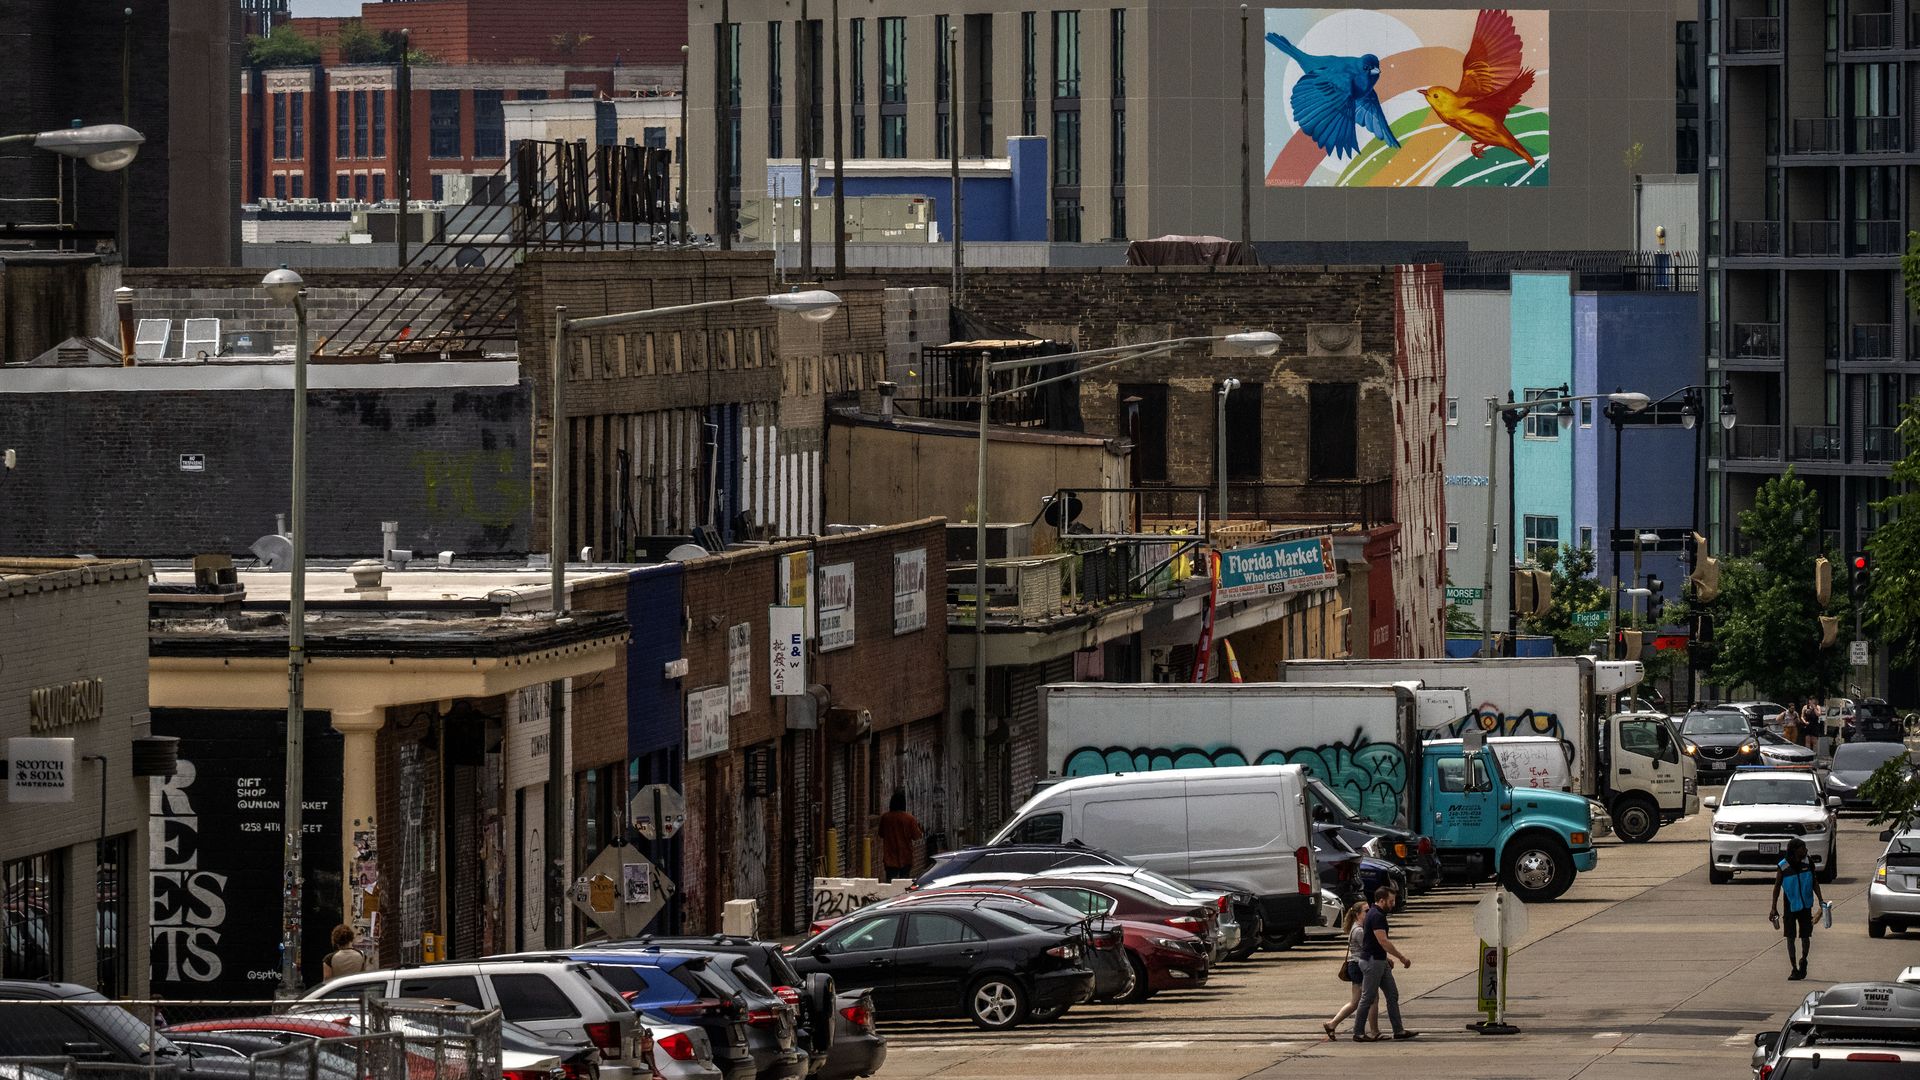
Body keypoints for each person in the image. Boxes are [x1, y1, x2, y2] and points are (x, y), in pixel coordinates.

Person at [1351, 886, 1418, 1042]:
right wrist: (1402, 957)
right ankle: (1358, 1032)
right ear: (1381, 900)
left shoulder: (1376, 914)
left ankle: (1398, 1030)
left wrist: (1387, 959)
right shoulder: (1376, 916)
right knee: (1367, 998)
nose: (1393, 904)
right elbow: (1383, 941)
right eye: (1390, 901)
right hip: (1372, 961)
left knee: (1392, 994)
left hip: (1379, 961)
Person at [1322, 901, 1381, 1041]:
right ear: (1357, 914)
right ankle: (1374, 1031)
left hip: (1355, 965)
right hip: (1358, 966)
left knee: (1356, 1001)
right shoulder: (1359, 931)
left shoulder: (1358, 928)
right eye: (1366, 911)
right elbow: (1369, 948)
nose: (1369, 913)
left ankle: (1332, 1024)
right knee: (1372, 999)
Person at [1769, 837, 1825, 981]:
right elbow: (1776, 887)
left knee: (1806, 936)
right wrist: (1773, 907)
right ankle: (1794, 968)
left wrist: (1821, 900)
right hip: (1790, 907)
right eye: (1803, 848)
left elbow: (1814, 882)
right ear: (1795, 850)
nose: (1806, 850)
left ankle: (1803, 960)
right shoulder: (1783, 866)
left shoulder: (1808, 863)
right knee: (1790, 937)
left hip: (1806, 906)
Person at [877, 789, 924, 882]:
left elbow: (881, 834)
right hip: (905, 855)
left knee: (890, 881)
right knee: (904, 883)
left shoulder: (885, 817)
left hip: (889, 856)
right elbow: (916, 836)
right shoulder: (909, 819)